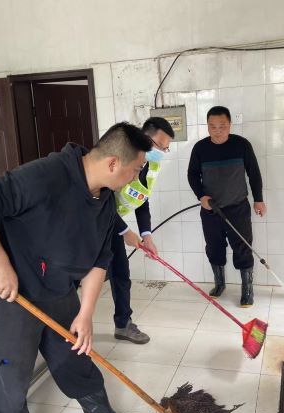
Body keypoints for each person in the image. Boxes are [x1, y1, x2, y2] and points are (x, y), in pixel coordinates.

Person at [0, 122, 152, 413]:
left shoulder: (105, 201)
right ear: (113, 163)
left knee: (74, 352)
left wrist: (86, 313)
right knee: (9, 372)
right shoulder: (44, 176)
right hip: (12, 293)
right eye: (136, 170)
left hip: (58, 288)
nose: (136, 178)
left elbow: (100, 260)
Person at [187, 106, 266, 307]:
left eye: (222, 126)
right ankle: (219, 284)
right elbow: (192, 175)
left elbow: (254, 173)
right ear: (207, 127)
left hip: (238, 208)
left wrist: (258, 199)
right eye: (212, 126)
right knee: (214, 247)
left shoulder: (242, 145)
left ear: (230, 125)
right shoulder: (200, 148)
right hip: (210, 210)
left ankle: (247, 290)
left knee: (243, 248)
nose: (217, 131)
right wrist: (201, 196)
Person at [110, 117, 175, 344]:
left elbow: (142, 199)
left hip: (113, 226)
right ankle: (62, 332)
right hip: (90, 223)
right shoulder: (120, 159)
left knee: (120, 274)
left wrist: (147, 235)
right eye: (159, 145)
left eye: (166, 148)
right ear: (144, 137)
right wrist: (125, 231)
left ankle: (123, 324)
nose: (162, 152)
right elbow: (101, 201)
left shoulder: (151, 165)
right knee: (77, 276)